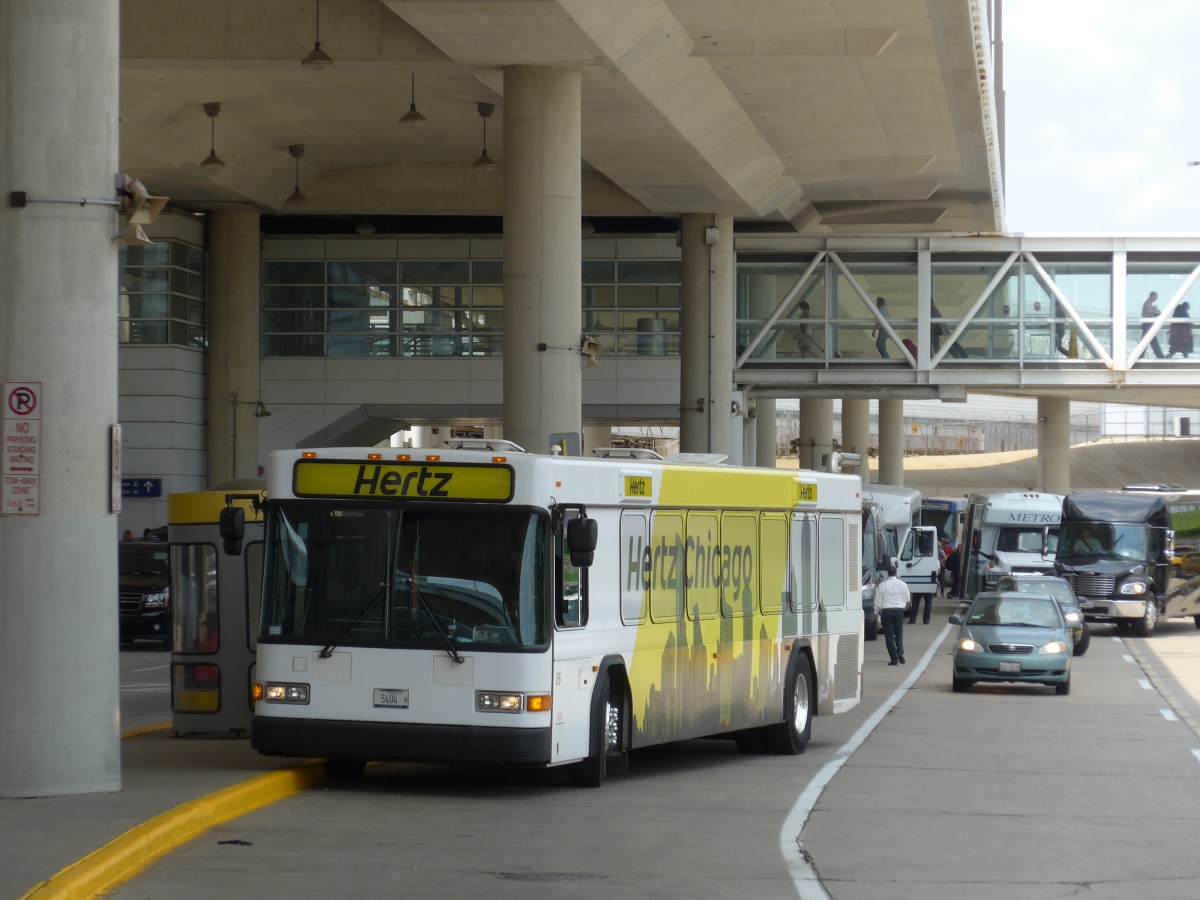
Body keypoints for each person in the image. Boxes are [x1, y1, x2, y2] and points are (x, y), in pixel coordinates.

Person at [875, 564, 911, 665]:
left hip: (886, 612)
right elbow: (908, 599)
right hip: (899, 611)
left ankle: (894, 659)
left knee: (889, 636)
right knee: (899, 633)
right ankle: (900, 651)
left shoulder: (882, 585)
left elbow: (878, 601)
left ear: (887, 574)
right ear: (896, 573)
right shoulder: (903, 584)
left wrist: (875, 613)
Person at [1141, 291, 1165, 358]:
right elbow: (1150, 312)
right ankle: (1160, 357)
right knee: (1152, 342)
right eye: (1156, 297)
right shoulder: (1148, 303)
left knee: (1147, 341)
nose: (1156, 299)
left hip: (1147, 325)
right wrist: (1156, 310)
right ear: (1152, 296)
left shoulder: (1149, 303)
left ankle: (1140, 355)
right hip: (1147, 325)